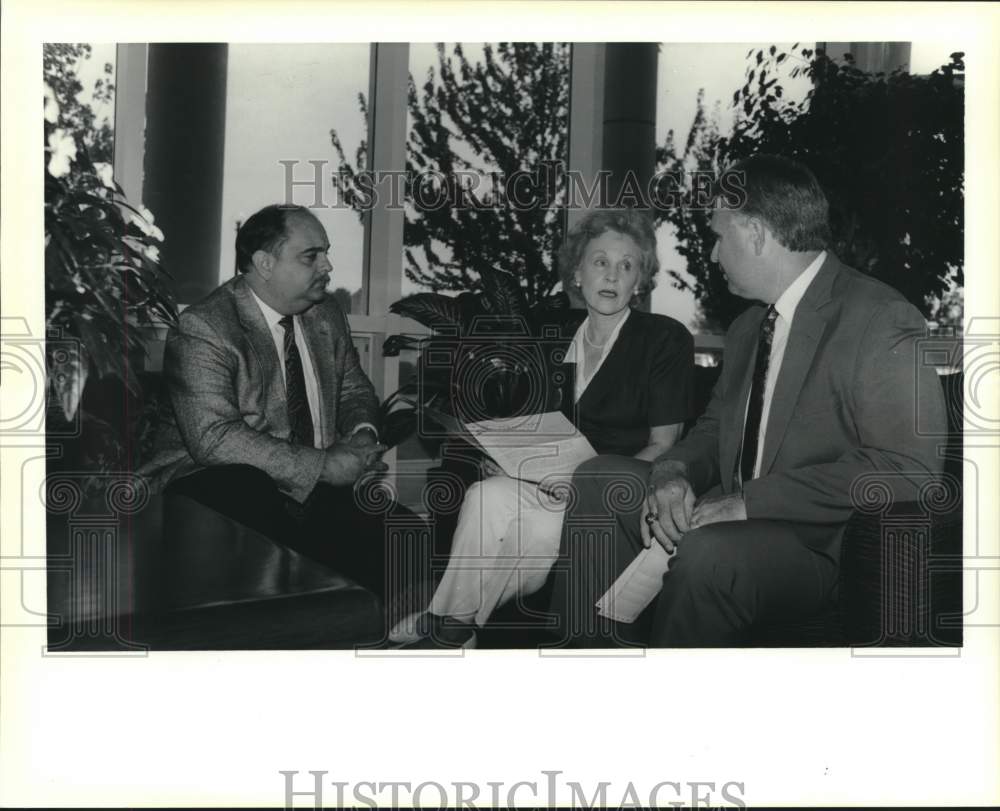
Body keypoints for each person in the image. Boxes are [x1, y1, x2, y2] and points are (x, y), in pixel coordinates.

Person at [548, 154, 949, 647]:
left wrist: (749, 503)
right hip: (723, 517)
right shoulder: (746, 329)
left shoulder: (880, 317)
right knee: (599, 477)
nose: (714, 255)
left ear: (756, 233)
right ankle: (587, 665)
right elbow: (714, 430)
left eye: (719, 236)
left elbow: (909, 468)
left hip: (816, 544)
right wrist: (672, 474)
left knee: (707, 553)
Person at [392, 208, 695, 647]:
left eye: (627, 265)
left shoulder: (663, 338)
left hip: (615, 492)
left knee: (532, 532)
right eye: (600, 262)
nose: (612, 275)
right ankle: (456, 621)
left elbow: (665, 444)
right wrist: (510, 462)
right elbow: (539, 427)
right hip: (551, 483)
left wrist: (583, 483)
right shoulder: (555, 337)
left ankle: (452, 624)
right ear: (576, 273)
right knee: (486, 494)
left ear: (640, 281)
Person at [141, 203, 407, 599]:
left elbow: (353, 388)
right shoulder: (204, 326)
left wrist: (362, 432)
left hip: (308, 486)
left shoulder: (327, 313)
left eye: (327, 253)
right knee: (248, 495)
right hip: (210, 485)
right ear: (264, 263)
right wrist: (323, 465)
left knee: (405, 539)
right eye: (311, 256)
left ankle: (373, 641)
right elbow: (213, 439)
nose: (328, 266)